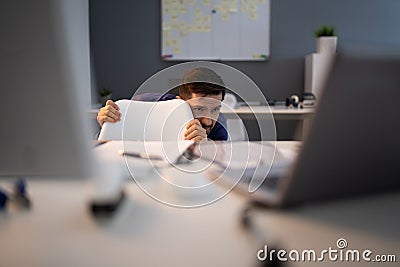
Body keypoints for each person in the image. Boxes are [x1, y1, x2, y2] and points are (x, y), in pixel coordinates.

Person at [96, 67, 228, 142]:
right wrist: (108, 124)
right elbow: (101, 146)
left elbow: (218, 170)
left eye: (215, 109)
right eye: (199, 109)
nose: (208, 121)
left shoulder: (218, 126)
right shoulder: (142, 104)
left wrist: (204, 149)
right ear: (179, 102)